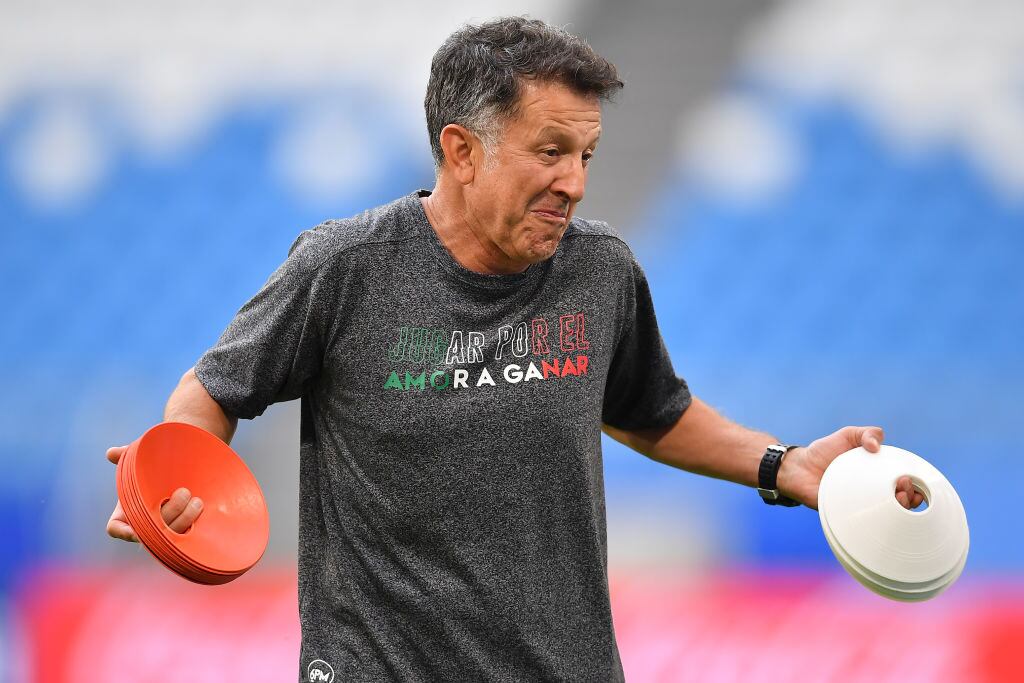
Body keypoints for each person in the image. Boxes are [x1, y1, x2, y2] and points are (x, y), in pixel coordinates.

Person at [106, 16, 923, 682]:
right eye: (550, 151)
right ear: (462, 152)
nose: (574, 181)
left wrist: (783, 465)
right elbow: (212, 388)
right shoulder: (344, 266)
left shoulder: (601, 269)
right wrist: (179, 474)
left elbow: (650, 411)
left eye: (587, 155)